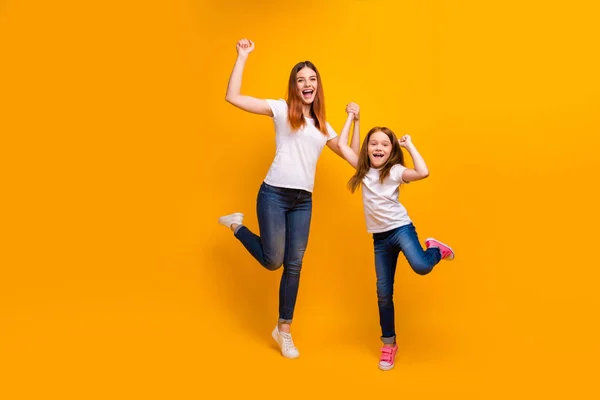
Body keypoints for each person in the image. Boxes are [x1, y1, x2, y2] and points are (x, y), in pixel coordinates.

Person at [218, 38, 359, 359]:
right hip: (273, 195)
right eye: (301, 80)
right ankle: (237, 227)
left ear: (317, 86)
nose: (307, 84)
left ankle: (284, 331)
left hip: (302, 202)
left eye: (312, 79)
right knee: (273, 261)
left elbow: (352, 155)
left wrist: (357, 121)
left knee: (293, 266)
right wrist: (242, 57)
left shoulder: (323, 126)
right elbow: (233, 97)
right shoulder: (282, 110)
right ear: (294, 87)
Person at [336, 103, 455, 370]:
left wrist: (410, 146)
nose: (378, 148)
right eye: (374, 144)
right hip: (379, 239)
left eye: (385, 145)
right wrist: (352, 119)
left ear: (392, 151)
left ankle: (435, 249)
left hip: (401, 230)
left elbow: (423, 172)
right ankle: (389, 345)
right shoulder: (364, 170)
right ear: (367, 148)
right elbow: (344, 146)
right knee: (383, 293)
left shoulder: (395, 172)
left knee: (422, 266)